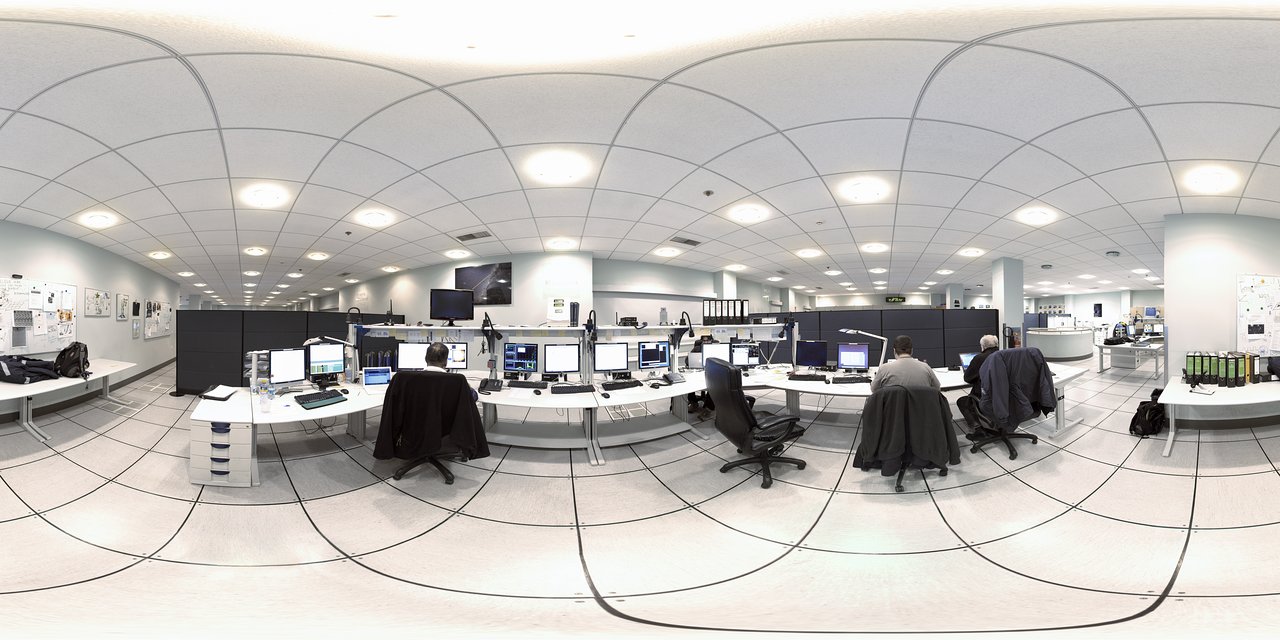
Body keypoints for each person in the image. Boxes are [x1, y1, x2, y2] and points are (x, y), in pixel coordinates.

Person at [869, 335, 940, 392]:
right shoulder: (926, 367)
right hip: (920, 406)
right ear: (912, 351)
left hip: (893, 406)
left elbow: (874, 390)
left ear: (894, 351)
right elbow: (937, 389)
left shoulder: (884, 369)